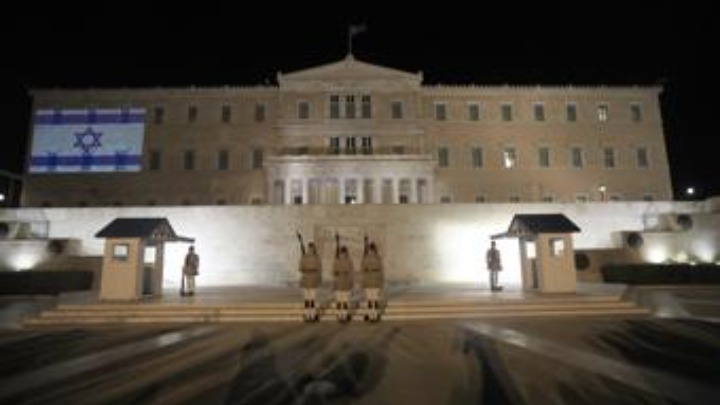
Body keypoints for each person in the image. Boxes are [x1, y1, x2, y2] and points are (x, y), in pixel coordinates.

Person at [361, 242, 384, 322]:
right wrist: (363, 283)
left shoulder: (378, 258)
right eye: (370, 250)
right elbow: (362, 271)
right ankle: (371, 314)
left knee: (374, 299)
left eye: (372, 250)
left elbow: (381, 271)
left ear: (374, 250)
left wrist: (381, 283)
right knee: (369, 300)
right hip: (368, 281)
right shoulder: (365, 258)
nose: (371, 252)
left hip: (375, 281)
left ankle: (375, 315)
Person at [299, 242, 322, 322]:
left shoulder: (315, 257)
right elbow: (300, 268)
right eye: (310, 248)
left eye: (311, 248)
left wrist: (319, 279)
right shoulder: (306, 257)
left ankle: (311, 315)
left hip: (311, 280)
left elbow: (319, 269)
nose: (310, 250)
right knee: (308, 299)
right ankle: (308, 314)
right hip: (307, 280)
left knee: (311, 299)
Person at [332, 245, 354, 322]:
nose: (342, 255)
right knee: (339, 301)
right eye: (341, 253)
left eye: (343, 253)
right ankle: (339, 314)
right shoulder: (336, 261)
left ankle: (344, 315)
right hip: (338, 283)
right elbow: (333, 272)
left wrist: (351, 284)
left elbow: (351, 273)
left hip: (345, 283)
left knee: (344, 301)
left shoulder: (349, 261)